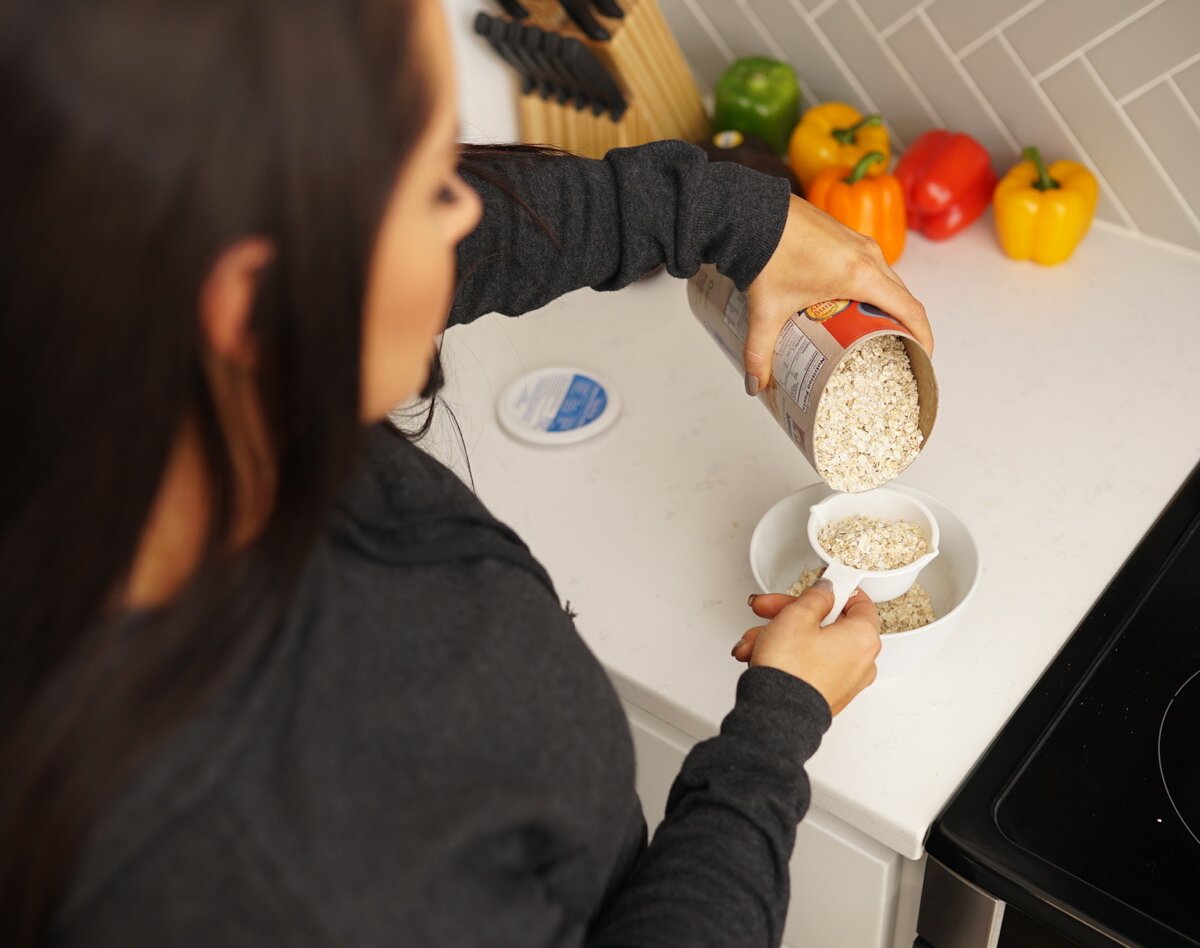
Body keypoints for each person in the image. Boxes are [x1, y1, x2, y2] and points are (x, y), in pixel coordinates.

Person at [0, 0, 933, 944]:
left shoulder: (149, 384)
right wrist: (775, 732)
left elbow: (464, 243)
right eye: (425, 180)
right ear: (253, 302)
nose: (462, 209)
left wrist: (727, 215)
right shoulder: (252, 867)